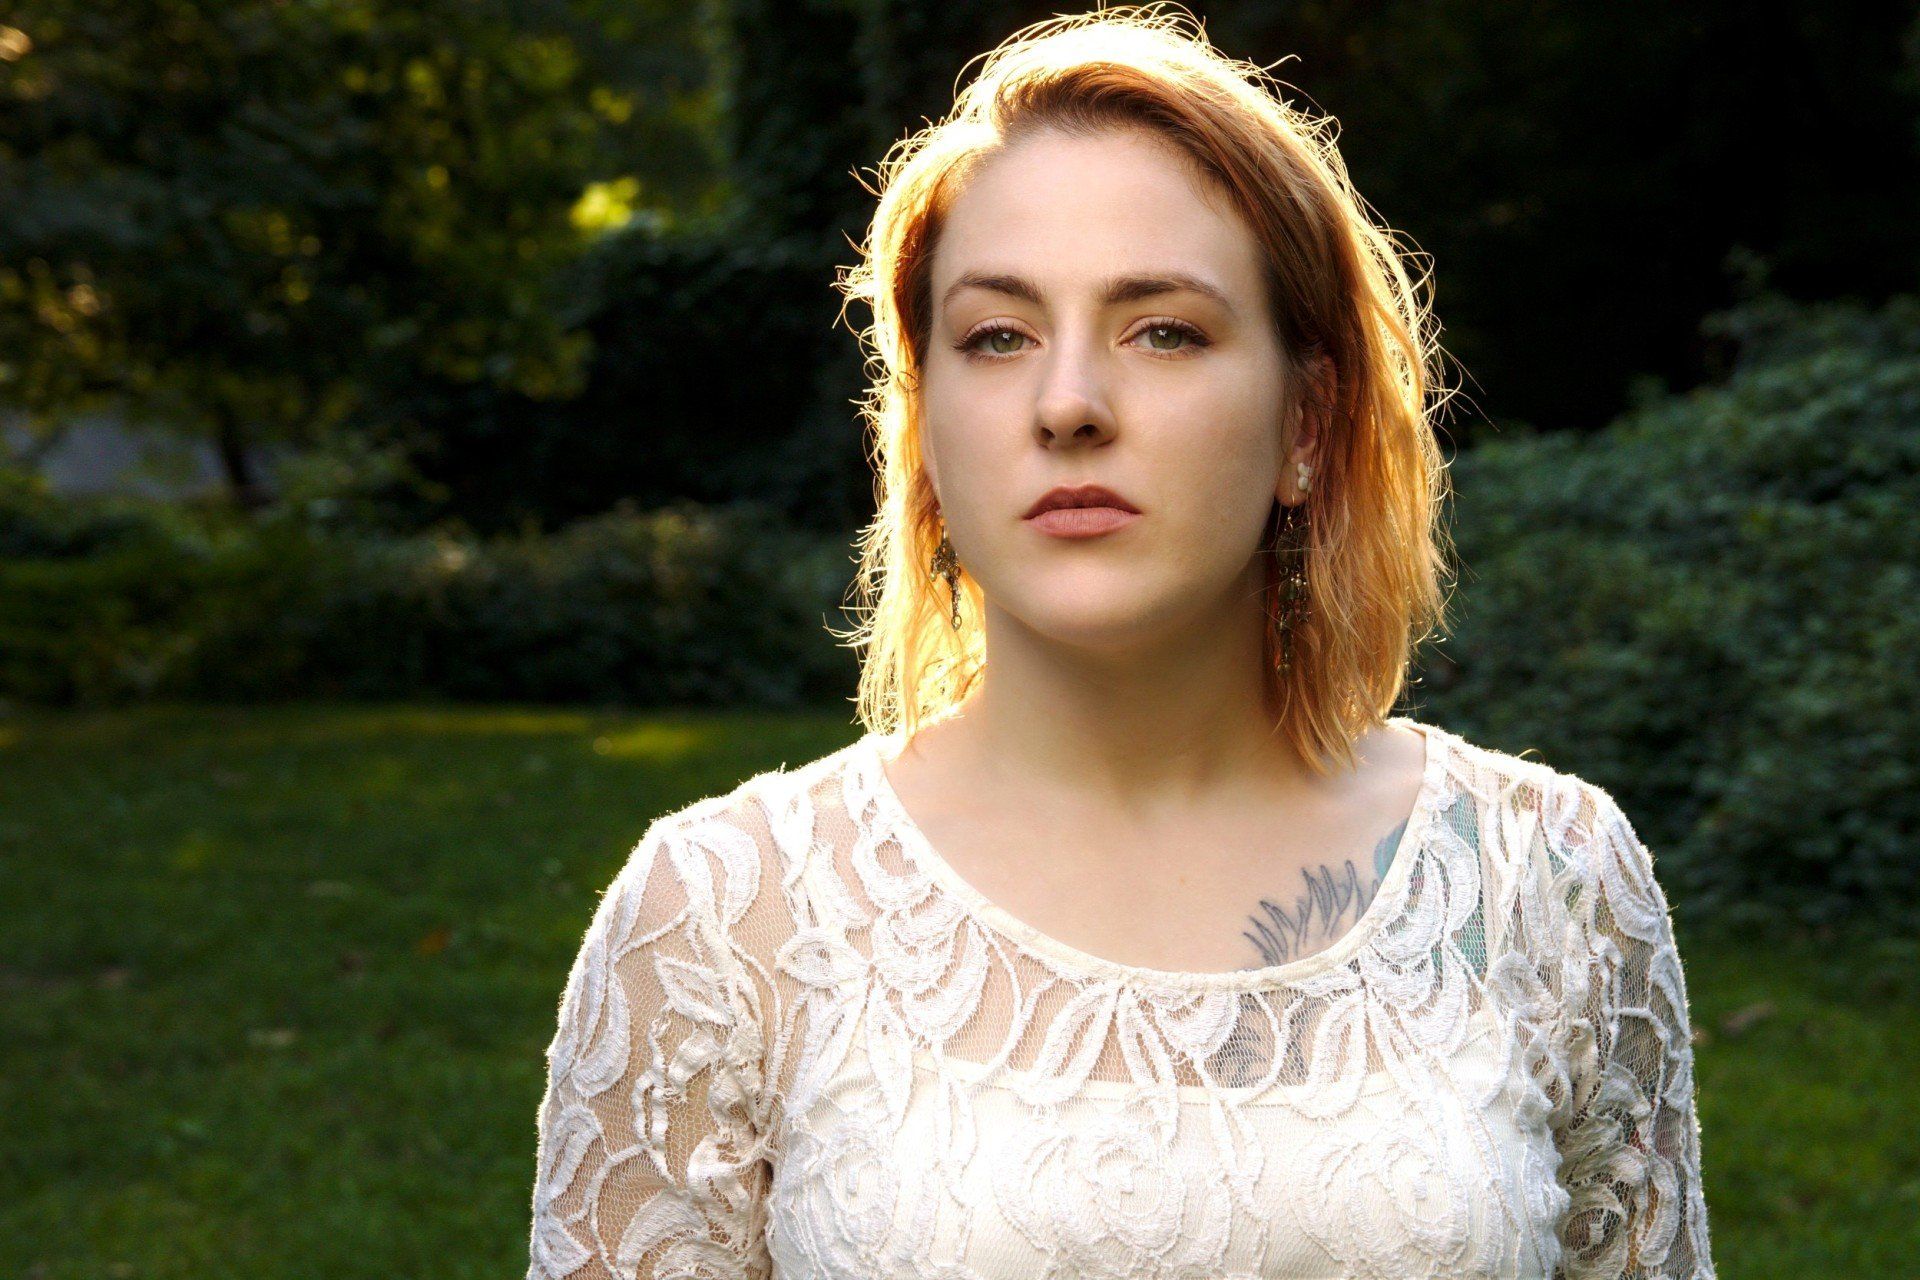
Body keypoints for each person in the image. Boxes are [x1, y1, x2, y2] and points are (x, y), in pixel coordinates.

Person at [524, 7, 1715, 1277]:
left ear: (1308, 422)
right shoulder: (720, 916)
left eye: (1164, 330)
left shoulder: (1550, 879)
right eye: (997, 335)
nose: (1070, 403)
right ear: (926, 425)